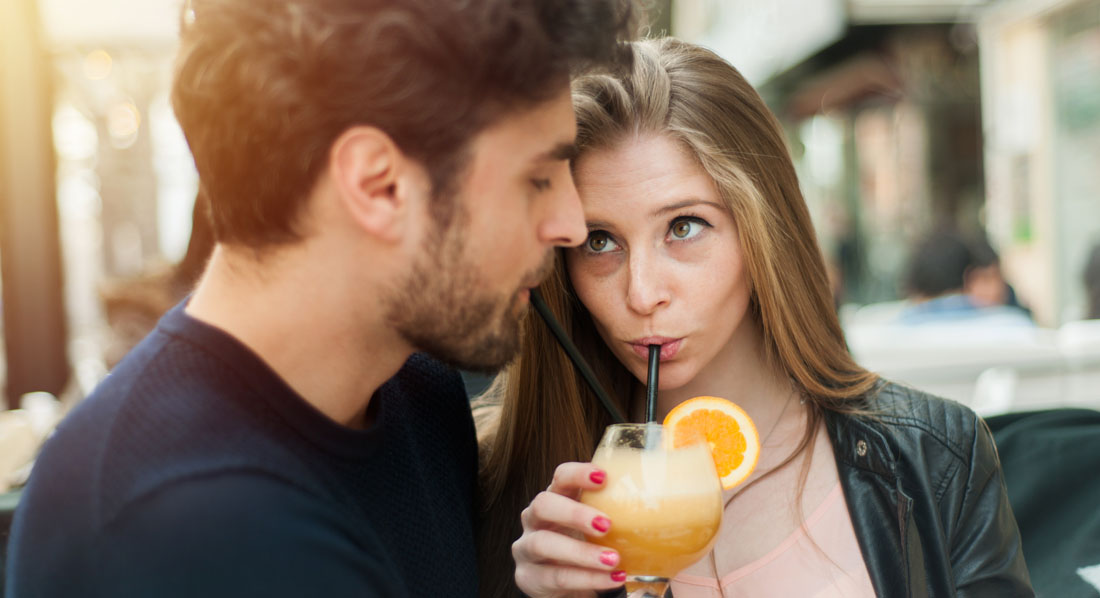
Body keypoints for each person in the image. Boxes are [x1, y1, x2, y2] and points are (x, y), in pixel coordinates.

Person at [5, 1, 634, 596]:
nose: (572, 225)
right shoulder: (186, 529)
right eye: (538, 178)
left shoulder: (418, 396)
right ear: (378, 184)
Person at [474, 38, 1033, 597]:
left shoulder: (933, 457)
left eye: (684, 227)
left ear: (761, 229)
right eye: (600, 241)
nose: (642, 293)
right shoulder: (497, 487)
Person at [895, 229, 1032, 328]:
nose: (996, 290)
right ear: (968, 280)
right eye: (984, 279)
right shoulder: (1016, 327)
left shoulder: (895, 331)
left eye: (998, 278)